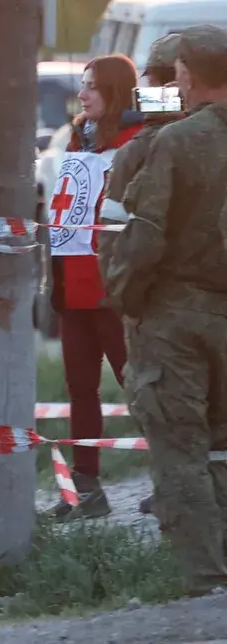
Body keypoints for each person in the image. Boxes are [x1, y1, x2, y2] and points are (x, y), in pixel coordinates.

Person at [107, 24, 227, 597]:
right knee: (221, 446)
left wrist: (130, 300)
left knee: (181, 450)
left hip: (176, 311)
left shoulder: (168, 145)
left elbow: (138, 235)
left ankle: (201, 578)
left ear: (184, 76)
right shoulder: (162, 139)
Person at [42, 54, 142, 521]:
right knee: (80, 389)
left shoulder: (139, 142)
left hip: (112, 289)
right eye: (82, 86)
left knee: (140, 387)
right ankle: (85, 488)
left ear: (117, 92)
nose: (82, 95)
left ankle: (179, 484)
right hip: (72, 286)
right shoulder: (77, 138)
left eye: (92, 87)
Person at [98, 33, 186, 517]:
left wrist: (125, 296)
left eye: (155, 81)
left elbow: (116, 237)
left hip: (161, 306)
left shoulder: (144, 148)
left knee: (168, 410)